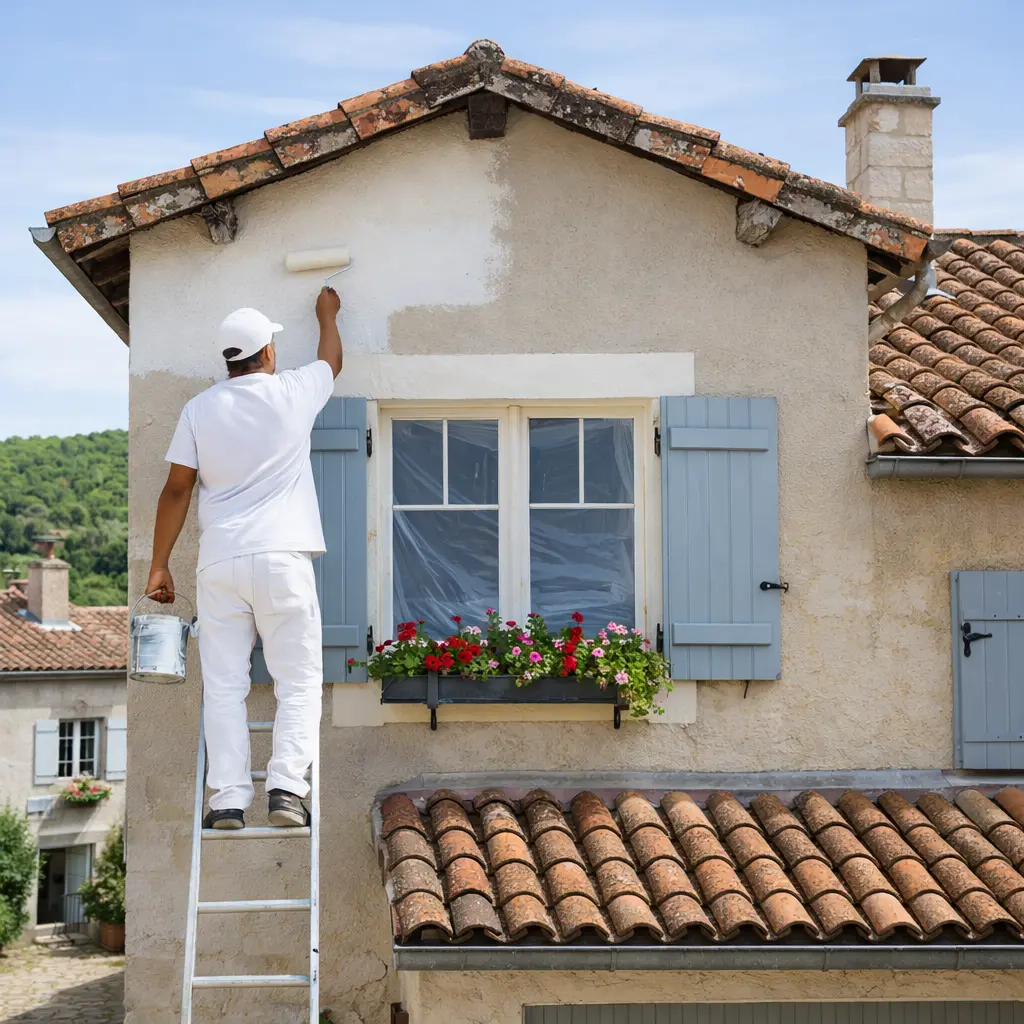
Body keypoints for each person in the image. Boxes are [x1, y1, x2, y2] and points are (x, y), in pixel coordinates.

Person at [146, 286, 343, 830]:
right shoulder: (292, 391)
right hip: (281, 559)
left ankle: (228, 799)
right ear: (269, 352)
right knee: (298, 682)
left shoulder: (198, 409)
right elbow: (332, 360)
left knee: (225, 686)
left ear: (228, 360)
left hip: (220, 563)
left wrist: (159, 564)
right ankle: (285, 790)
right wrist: (327, 314)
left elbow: (176, 490)